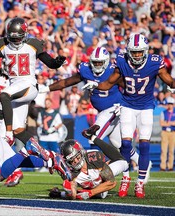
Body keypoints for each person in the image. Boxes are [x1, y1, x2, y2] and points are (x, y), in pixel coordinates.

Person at [81, 33, 175, 198]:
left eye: (140, 52)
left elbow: (169, 80)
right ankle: (126, 178)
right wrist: (96, 84)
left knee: (144, 145)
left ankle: (139, 183)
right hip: (127, 105)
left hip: (146, 106)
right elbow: (110, 82)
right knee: (125, 145)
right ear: (129, 51)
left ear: (145, 51)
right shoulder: (122, 61)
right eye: (134, 52)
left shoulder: (155, 62)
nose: (137, 55)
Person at [39, 46, 140, 183]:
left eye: (100, 62)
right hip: (103, 111)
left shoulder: (113, 71)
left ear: (106, 62)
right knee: (119, 144)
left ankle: (93, 172)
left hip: (114, 109)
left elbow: (130, 87)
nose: (97, 65)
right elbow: (66, 82)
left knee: (94, 137)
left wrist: (127, 105)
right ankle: (140, 164)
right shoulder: (86, 70)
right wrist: (46, 88)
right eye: (95, 62)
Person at [0, 17, 66, 146]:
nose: (15, 41)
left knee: (4, 95)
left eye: (18, 38)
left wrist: (57, 63)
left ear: (25, 34)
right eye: (13, 38)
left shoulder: (33, 44)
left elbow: (50, 63)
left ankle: (8, 134)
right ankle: (43, 152)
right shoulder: (3, 44)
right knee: (18, 130)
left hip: (28, 85)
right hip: (16, 89)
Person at [49, 125, 128, 200]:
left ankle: (92, 137)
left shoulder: (93, 157)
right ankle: (58, 193)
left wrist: (90, 193)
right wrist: (65, 192)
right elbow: (73, 195)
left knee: (123, 162)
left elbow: (111, 182)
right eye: (72, 160)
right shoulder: (70, 172)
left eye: (77, 157)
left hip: (102, 172)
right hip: (96, 183)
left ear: (81, 153)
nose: (76, 161)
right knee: (100, 194)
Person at [159, 96, 175, 171]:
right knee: (164, 150)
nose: (170, 105)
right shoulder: (163, 112)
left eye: (171, 104)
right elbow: (161, 123)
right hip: (165, 132)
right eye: (168, 104)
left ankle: (170, 166)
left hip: (172, 133)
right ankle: (163, 166)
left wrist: (168, 123)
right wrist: (171, 123)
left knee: (171, 150)